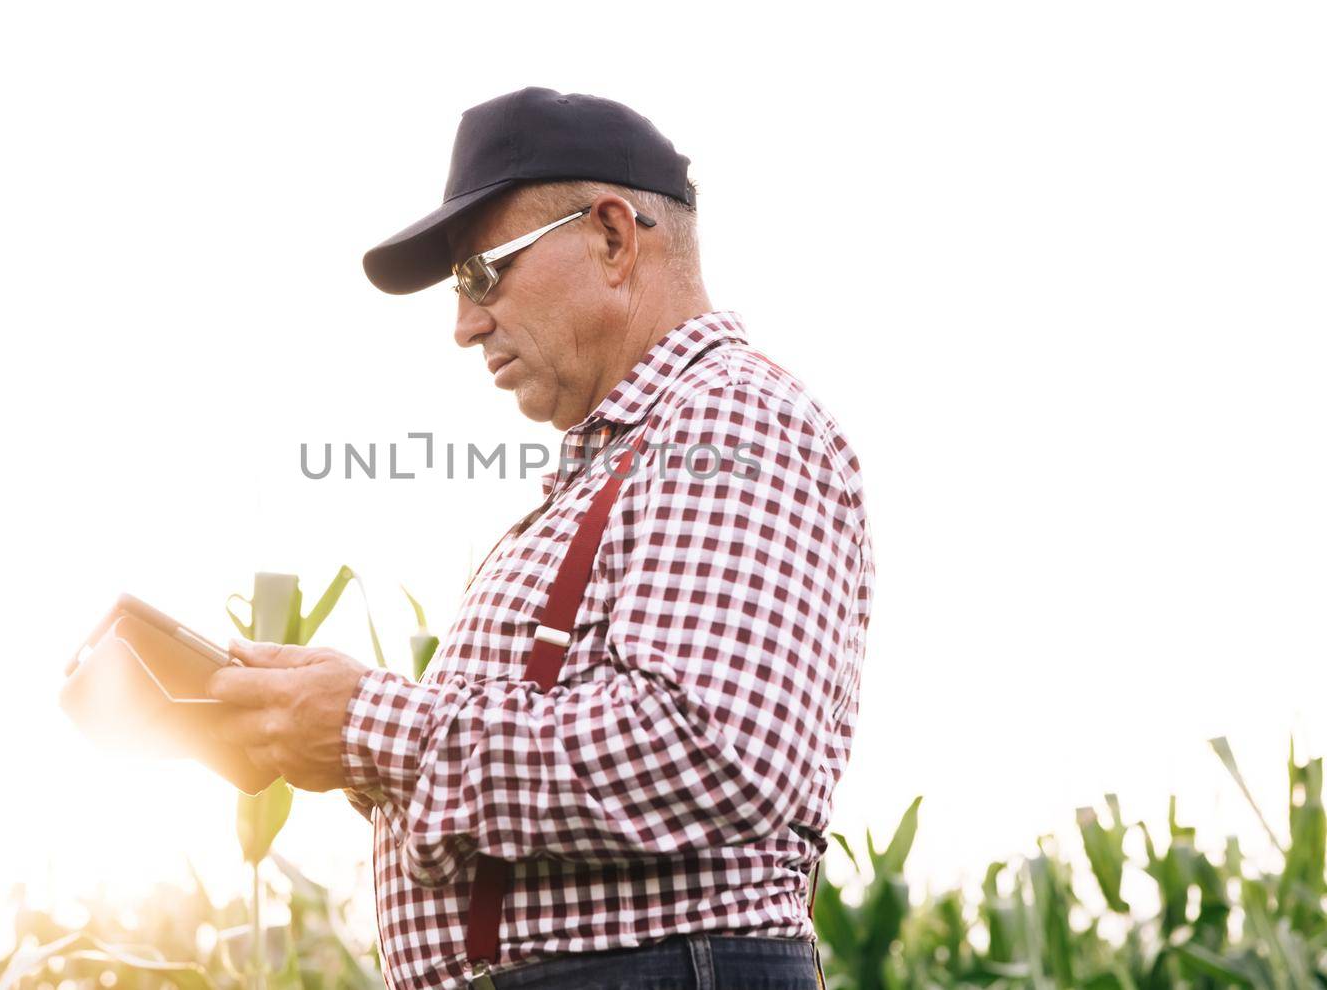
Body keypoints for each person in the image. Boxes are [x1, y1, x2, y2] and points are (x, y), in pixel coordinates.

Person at [209, 86, 874, 990]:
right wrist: (324, 739)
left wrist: (368, 722)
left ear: (611, 237)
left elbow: (706, 749)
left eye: (482, 273)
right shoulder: (631, 455)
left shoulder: (732, 423)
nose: (463, 323)